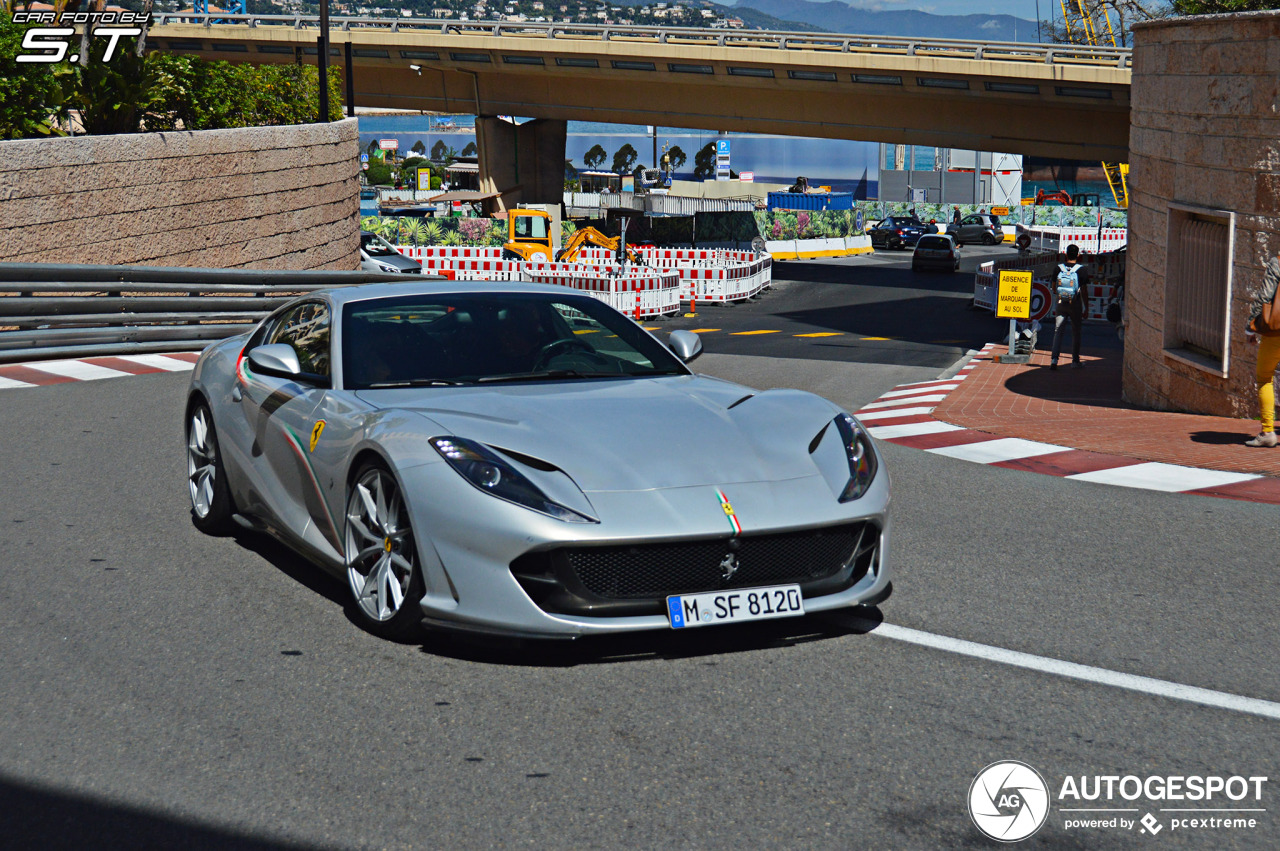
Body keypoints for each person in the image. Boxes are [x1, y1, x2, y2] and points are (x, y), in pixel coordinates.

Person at [1245, 252, 1280, 447]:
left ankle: (1268, 432)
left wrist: (1250, 326)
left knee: (1265, 377)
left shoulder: (1277, 263)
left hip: (1276, 332)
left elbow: (1265, 296)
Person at [1049, 243, 1089, 370]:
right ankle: (1075, 361)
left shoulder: (1058, 268)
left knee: (1058, 331)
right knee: (1076, 332)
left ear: (1066, 254)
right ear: (1078, 255)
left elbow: (1054, 288)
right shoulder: (1081, 270)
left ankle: (1054, 360)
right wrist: (1086, 307)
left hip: (1061, 303)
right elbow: (1084, 290)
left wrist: (1061, 295)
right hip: (1075, 304)